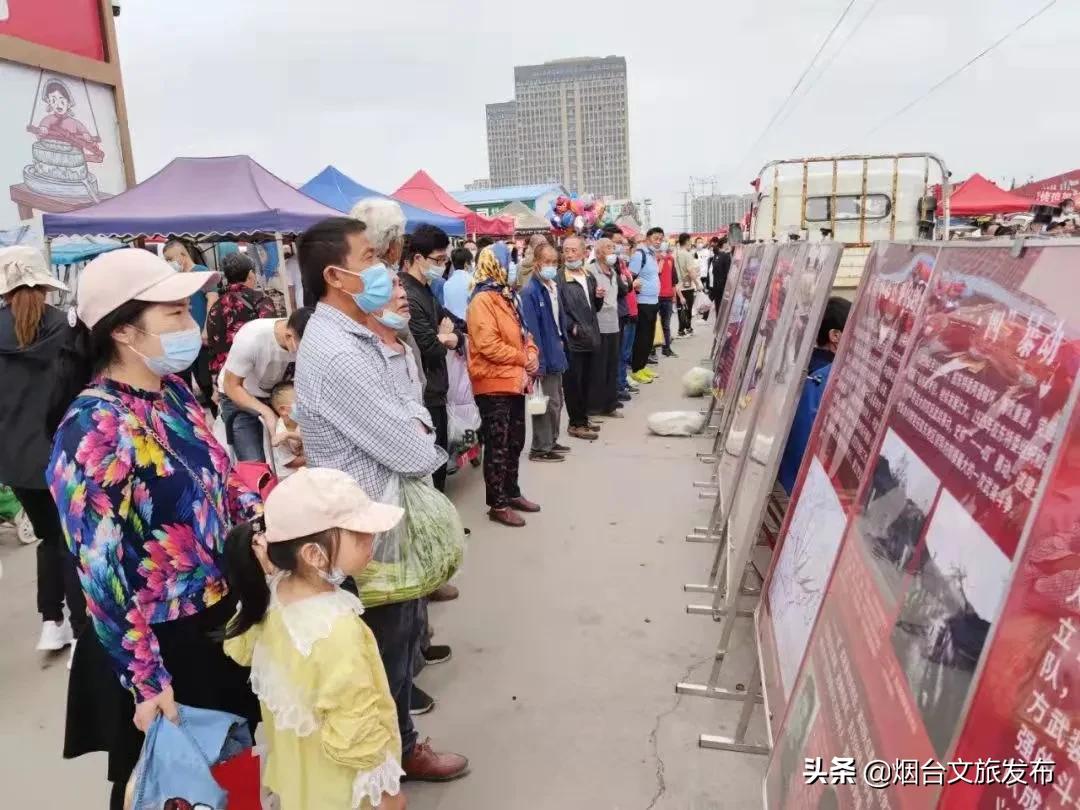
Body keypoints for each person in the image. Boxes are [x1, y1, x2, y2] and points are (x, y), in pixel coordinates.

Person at [45, 248, 261, 809]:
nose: (191, 324)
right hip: (158, 641)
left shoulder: (173, 394)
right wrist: (146, 680)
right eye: (174, 315)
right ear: (124, 331)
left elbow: (213, 474)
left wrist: (259, 519)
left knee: (226, 767)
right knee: (170, 779)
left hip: (216, 618)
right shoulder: (92, 429)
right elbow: (101, 576)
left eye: (188, 310)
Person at [292, 216, 468, 781]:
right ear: (335, 275)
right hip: (366, 527)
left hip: (384, 515)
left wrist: (414, 428)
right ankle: (389, 762)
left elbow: (410, 409)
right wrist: (416, 432)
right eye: (370, 257)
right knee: (383, 653)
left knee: (400, 635)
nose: (384, 268)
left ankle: (395, 751)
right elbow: (411, 448)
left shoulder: (360, 333)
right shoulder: (338, 354)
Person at [223, 467, 408, 810]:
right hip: (341, 788)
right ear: (312, 554)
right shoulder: (336, 627)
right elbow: (356, 719)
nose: (372, 540)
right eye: (360, 534)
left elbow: (239, 647)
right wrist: (383, 790)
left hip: (298, 780)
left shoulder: (271, 595)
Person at [0, 246, 88, 656]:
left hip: (14, 460)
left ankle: (51, 622)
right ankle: (81, 630)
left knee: (48, 538)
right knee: (72, 540)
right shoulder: (68, 329)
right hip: (64, 451)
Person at [466, 245, 541, 527]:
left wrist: (532, 353)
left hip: (514, 382)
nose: (513, 266)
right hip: (493, 384)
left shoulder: (507, 296)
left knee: (515, 441)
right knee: (498, 446)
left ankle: (512, 492)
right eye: (508, 261)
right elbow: (488, 346)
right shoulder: (482, 301)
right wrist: (523, 358)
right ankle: (496, 504)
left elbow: (525, 334)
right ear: (493, 264)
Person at [400, 224, 463, 492]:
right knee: (432, 463)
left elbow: (453, 324)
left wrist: (450, 336)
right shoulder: (408, 295)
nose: (442, 265)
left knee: (440, 459)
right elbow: (429, 347)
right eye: (438, 260)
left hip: (437, 386)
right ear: (417, 258)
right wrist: (442, 337)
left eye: (444, 260)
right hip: (424, 391)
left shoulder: (425, 289)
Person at [218, 307, 312, 462]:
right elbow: (232, 386)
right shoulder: (252, 338)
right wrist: (267, 413)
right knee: (253, 460)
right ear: (289, 336)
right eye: (304, 348)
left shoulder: (306, 338)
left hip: (277, 395)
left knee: (296, 449)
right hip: (240, 394)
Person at [777, 296, 851, 494]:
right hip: (809, 489)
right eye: (854, 331)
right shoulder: (828, 379)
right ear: (835, 335)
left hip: (786, 477)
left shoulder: (801, 368)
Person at [519, 241, 570, 462]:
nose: (550, 266)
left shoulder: (552, 286)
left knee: (556, 400)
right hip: (543, 354)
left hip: (556, 350)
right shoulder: (531, 291)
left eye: (554, 262)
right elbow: (531, 329)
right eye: (546, 262)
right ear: (537, 263)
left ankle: (552, 439)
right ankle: (540, 447)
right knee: (544, 403)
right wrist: (537, 361)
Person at [163, 239, 218, 409]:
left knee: (207, 384)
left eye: (170, 259)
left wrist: (207, 329)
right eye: (166, 260)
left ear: (182, 255)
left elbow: (213, 300)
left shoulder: (200, 272)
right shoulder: (175, 279)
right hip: (182, 341)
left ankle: (218, 420)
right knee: (182, 384)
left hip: (203, 341)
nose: (168, 263)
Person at [558, 236, 603, 440]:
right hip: (573, 340)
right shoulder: (560, 278)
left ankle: (583, 418)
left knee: (587, 382)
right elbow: (558, 310)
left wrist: (599, 298)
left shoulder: (588, 275)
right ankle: (575, 423)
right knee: (573, 383)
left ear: (584, 252)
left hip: (590, 336)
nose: (569, 254)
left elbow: (594, 308)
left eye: (574, 250)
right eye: (566, 250)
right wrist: (571, 327)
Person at [205, 251, 276, 377]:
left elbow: (213, 346)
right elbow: (272, 338)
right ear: (250, 275)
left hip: (225, 377)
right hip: (254, 374)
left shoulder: (217, 306)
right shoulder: (260, 300)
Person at [587, 238, 624, 420]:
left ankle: (610, 405)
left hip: (613, 324)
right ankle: (594, 406)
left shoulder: (613, 271)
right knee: (597, 368)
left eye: (613, 248)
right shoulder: (590, 271)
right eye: (608, 248)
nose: (612, 251)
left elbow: (621, 292)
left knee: (612, 366)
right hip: (599, 324)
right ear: (599, 252)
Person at [629, 227, 663, 384]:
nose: (658, 241)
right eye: (656, 238)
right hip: (642, 302)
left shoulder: (652, 256)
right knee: (641, 338)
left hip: (653, 301)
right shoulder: (639, 254)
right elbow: (631, 277)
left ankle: (642, 366)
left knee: (649, 338)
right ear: (648, 238)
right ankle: (636, 369)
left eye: (661, 239)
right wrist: (635, 286)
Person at [269, 381, 306, 479]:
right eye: (299, 402)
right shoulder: (280, 434)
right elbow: (289, 463)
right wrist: (314, 457)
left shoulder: (301, 420)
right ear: (283, 410)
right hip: (289, 477)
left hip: (304, 469)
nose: (305, 404)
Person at [675, 232, 702, 337]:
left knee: (681, 308)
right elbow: (690, 271)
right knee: (687, 308)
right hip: (687, 286)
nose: (691, 243)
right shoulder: (687, 254)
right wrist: (697, 283)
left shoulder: (676, 254)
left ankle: (683, 329)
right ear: (687, 241)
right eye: (690, 241)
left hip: (678, 285)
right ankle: (685, 329)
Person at [656, 240, 678, 357]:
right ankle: (652, 351)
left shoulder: (670, 259)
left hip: (667, 296)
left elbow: (673, 280)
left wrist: (674, 296)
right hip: (655, 296)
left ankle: (667, 348)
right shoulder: (652, 260)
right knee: (653, 324)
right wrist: (660, 259)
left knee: (666, 324)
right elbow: (657, 272)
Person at [442, 246, 474, 322]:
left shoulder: (447, 283)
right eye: (471, 261)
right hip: (469, 323)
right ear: (466, 263)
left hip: (454, 324)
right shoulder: (472, 281)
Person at [708, 237, 732, 316]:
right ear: (725, 244)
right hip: (724, 286)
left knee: (718, 307)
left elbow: (713, 271)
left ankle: (718, 324)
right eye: (729, 243)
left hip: (716, 285)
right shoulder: (726, 256)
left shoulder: (716, 256)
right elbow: (728, 272)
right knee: (724, 308)